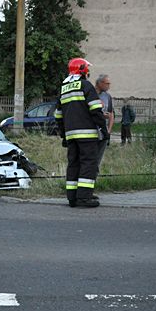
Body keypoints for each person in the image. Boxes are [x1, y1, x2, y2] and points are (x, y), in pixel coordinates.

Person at [55, 58, 109, 208]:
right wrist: (104, 130)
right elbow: (95, 110)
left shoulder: (63, 88)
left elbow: (58, 115)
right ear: (83, 70)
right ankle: (84, 197)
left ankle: (72, 197)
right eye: (87, 69)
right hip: (87, 135)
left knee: (73, 164)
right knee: (88, 164)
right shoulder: (86, 85)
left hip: (71, 135)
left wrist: (64, 135)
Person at [94, 74, 115, 170]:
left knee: (98, 160)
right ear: (100, 83)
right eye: (107, 83)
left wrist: (109, 131)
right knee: (90, 158)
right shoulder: (90, 94)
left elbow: (111, 114)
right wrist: (101, 116)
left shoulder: (107, 96)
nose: (109, 86)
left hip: (103, 132)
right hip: (92, 131)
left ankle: (95, 176)